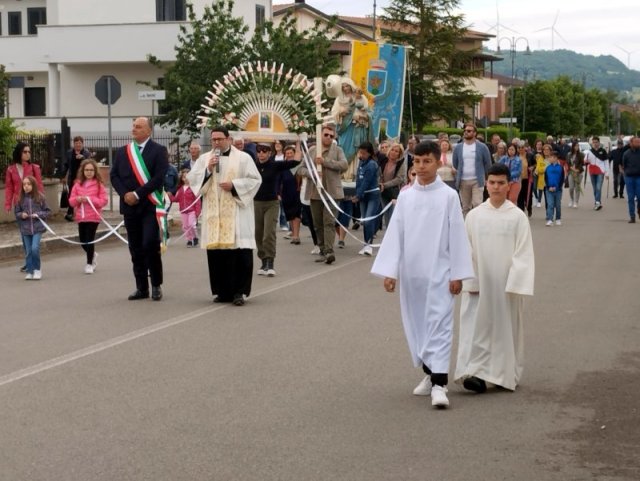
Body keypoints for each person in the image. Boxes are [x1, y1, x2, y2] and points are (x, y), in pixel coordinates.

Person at [371, 140, 474, 409]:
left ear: (439, 163)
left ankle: (440, 384)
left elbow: (457, 236)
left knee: (440, 324)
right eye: (416, 161)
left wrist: (458, 274)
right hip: (412, 274)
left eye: (427, 161)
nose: (421, 166)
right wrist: (390, 271)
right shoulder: (406, 196)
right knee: (418, 325)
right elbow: (396, 234)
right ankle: (429, 374)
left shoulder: (449, 196)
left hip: (440, 272)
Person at [454, 163, 535, 394]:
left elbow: (523, 252)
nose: (496, 187)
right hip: (480, 283)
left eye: (501, 183)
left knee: (503, 330)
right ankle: (475, 373)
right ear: (486, 184)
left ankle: (501, 373)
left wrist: (516, 282)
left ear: (509, 185)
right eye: (492, 183)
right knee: (476, 329)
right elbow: (465, 250)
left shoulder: (517, 217)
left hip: (505, 286)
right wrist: (469, 280)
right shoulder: (474, 216)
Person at [187, 126, 261, 306]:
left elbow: (255, 180)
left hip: (236, 213)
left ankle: (238, 292)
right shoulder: (205, 159)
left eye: (220, 139)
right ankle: (222, 291)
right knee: (217, 254)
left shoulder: (244, 158)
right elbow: (194, 181)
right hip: (214, 215)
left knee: (238, 252)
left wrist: (235, 185)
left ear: (228, 139)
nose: (216, 142)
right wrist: (207, 170)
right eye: (213, 140)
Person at [110, 117, 169, 301]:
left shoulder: (159, 151)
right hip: (129, 207)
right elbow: (114, 175)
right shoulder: (122, 152)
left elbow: (158, 178)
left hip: (149, 205)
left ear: (149, 131)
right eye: (133, 126)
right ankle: (141, 287)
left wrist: (137, 194)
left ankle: (156, 284)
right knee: (135, 248)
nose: (134, 129)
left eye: (139, 126)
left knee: (150, 243)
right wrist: (125, 194)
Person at [298, 124, 348, 265]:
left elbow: (344, 165)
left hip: (332, 193)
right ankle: (322, 249)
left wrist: (325, 162)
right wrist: (312, 173)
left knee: (329, 222)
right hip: (315, 193)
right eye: (326, 135)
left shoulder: (338, 150)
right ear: (321, 135)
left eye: (331, 136)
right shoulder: (313, 150)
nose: (328, 138)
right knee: (317, 223)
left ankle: (329, 251)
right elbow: (300, 169)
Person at [253, 141, 300, 277]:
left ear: (269, 153)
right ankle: (263, 260)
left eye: (264, 151)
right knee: (258, 234)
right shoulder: (252, 165)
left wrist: (297, 141)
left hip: (272, 203)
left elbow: (296, 160)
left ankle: (270, 262)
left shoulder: (274, 165)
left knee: (269, 233)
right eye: (259, 150)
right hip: (256, 203)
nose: (261, 153)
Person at [4, 142, 44, 273]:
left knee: (33, 232)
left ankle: (32, 263)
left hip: (33, 203)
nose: (28, 154)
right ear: (19, 153)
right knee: (24, 233)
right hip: (19, 204)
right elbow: (9, 187)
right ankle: (29, 262)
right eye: (25, 152)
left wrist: (41, 202)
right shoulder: (11, 169)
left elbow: (39, 185)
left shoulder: (34, 168)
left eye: (29, 152)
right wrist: (8, 203)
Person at [69, 159, 108, 274]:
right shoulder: (77, 184)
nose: (89, 172)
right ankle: (92, 254)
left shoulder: (98, 184)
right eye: (86, 170)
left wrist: (90, 199)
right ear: (83, 171)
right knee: (82, 240)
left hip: (93, 216)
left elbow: (104, 201)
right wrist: (78, 199)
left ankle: (89, 264)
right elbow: (71, 201)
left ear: (95, 171)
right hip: (81, 217)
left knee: (89, 240)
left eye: (91, 170)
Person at [452, 123, 492, 217]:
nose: (466, 132)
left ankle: (477, 226)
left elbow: (488, 164)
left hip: (477, 180)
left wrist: (487, 178)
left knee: (477, 204)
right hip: (463, 180)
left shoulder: (482, 147)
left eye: (469, 131)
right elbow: (455, 163)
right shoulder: (458, 147)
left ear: (475, 133)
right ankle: (466, 228)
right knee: (465, 206)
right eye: (465, 131)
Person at [15, 176, 51, 280]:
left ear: (33, 185)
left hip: (37, 229)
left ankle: (37, 270)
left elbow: (48, 211)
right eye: (24, 184)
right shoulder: (20, 199)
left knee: (35, 248)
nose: (26, 186)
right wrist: (22, 214)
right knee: (28, 251)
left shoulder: (40, 197)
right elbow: (17, 213)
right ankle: (30, 272)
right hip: (25, 230)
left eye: (29, 184)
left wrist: (38, 214)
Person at [352, 141, 380, 256]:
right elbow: (359, 181)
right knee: (364, 221)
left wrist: (358, 196)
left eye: (363, 153)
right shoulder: (361, 163)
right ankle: (366, 244)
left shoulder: (372, 164)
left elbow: (366, 182)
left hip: (372, 195)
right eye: (360, 152)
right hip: (363, 196)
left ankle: (369, 245)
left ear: (369, 153)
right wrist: (357, 194)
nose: (361, 155)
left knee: (369, 220)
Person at [168, 169, 201, 246]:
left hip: (191, 211)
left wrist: (197, 212)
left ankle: (195, 238)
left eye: (187, 176)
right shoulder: (180, 190)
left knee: (191, 225)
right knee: (185, 226)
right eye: (184, 177)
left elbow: (197, 201)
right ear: (181, 179)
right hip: (183, 211)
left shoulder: (193, 189)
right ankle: (189, 240)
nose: (185, 178)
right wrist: (170, 196)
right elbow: (176, 199)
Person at [63, 136, 92, 221]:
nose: (78, 145)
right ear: (74, 144)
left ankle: (84, 212)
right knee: (72, 195)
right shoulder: (69, 153)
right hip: (72, 177)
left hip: (83, 178)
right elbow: (66, 164)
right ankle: (70, 213)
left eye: (80, 143)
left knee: (83, 194)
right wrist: (63, 176)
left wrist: (82, 158)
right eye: (76, 143)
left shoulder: (86, 153)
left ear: (82, 144)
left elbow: (89, 163)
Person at [378, 142, 407, 228]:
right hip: (383, 192)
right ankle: (388, 234)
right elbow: (379, 174)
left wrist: (385, 185)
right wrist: (380, 183)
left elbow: (400, 178)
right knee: (387, 214)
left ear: (399, 154)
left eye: (396, 151)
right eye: (392, 150)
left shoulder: (401, 163)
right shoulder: (384, 161)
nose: (394, 152)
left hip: (395, 192)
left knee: (394, 215)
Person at [279, 144, 303, 245]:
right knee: (290, 215)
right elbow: (279, 180)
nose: (289, 155)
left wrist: (298, 142)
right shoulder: (282, 166)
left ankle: (296, 236)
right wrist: (278, 193)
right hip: (286, 193)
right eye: (287, 153)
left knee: (296, 214)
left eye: (291, 153)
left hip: (297, 192)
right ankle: (294, 235)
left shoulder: (298, 165)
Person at [583, 136, 609, 211]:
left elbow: (606, 162)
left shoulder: (603, 151)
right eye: (593, 142)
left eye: (596, 142)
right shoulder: (589, 151)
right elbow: (585, 161)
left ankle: (597, 202)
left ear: (599, 143)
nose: (595, 144)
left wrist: (607, 173)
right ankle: (598, 202)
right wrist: (586, 161)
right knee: (595, 189)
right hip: (592, 171)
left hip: (600, 171)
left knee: (598, 187)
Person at [622, 135, 640, 223]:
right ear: (631, 143)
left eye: (639, 142)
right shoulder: (626, 153)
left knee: (639, 196)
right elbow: (624, 165)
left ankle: (639, 210)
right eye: (636, 142)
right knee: (631, 197)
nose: (638, 143)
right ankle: (632, 216)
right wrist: (626, 173)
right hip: (629, 177)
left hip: (639, 177)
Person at [544, 152, 564, 226]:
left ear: (555, 158)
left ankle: (558, 218)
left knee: (558, 205)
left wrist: (557, 187)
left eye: (551, 157)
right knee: (550, 204)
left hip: (558, 190)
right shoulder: (548, 168)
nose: (549, 159)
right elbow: (546, 179)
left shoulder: (560, 168)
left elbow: (562, 179)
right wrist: (549, 187)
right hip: (549, 190)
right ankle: (550, 219)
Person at [567, 140, 585, 208]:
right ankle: (571, 199)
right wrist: (573, 169)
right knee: (571, 188)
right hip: (571, 172)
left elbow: (582, 163)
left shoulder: (581, 154)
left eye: (578, 146)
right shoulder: (569, 154)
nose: (577, 147)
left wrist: (577, 170)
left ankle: (576, 202)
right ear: (573, 146)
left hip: (579, 172)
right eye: (575, 146)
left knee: (577, 188)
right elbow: (568, 163)